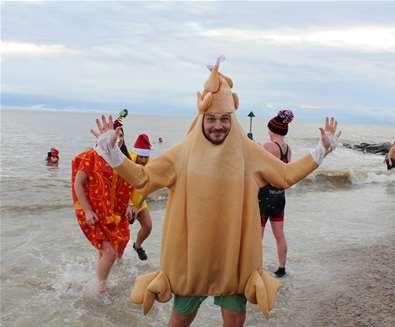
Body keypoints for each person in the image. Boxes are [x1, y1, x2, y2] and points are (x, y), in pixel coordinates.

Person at [91, 58, 341, 326]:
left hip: (234, 258)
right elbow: (143, 179)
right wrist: (112, 154)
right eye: (211, 119)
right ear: (202, 118)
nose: (218, 125)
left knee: (234, 319)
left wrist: (320, 152)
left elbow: (284, 175)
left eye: (224, 119)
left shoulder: (248, 152)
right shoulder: (182, 153)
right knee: (180, 319)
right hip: (190, 259)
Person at [72, 118, 132, 295]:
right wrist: (88, 211)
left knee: (107, 251)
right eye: (115, 135)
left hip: (111, 213)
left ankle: (97, 281)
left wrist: (129, 204)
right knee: (110, 253)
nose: (118, 139)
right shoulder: (92, 156)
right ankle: (100, 289)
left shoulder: (120, 160)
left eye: (120, 136)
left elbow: (128, 183)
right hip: (93, 213)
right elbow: (78, 183)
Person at [258, 110, 293, 278]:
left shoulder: (268, 146)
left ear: (272, 129)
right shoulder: (288, 149)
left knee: (258, 235)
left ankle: (256, 269)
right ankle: (282, 268)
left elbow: (258, 170)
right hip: (280, 195)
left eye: (269, 128)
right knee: (279, 234)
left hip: (264, 195)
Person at [127, 133, 153, 261]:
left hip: (139, 201)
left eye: (146, 157)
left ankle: (137, 246)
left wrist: (137, 206)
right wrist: (129, 204)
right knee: (122, 233)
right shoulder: (128, 161)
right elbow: (121, 184)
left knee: (148, 226)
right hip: (123, 200)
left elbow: (147, 188)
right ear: (136, 154)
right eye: (141, 157)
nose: (143, 160)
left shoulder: (150, 165)